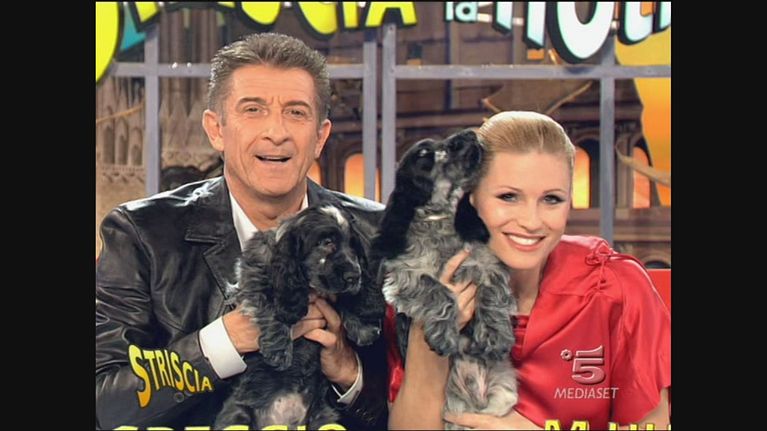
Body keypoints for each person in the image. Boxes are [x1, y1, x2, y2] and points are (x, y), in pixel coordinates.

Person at [95, 32, 388, 430]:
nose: (276, 132)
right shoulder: (142, 235)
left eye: (296, 112)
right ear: (216, 129)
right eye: (253, 110)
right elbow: (104, 402)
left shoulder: (376, 235)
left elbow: (422, 402)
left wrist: (350, 375)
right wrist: (222, 343)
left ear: (320, 137)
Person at [387, 111, 671, 430]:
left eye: (552, 199)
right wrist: (428, 336)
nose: (532, 222)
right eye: (508, 197)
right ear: (469, 197)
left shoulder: (616, 287)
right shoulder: (422, 285)